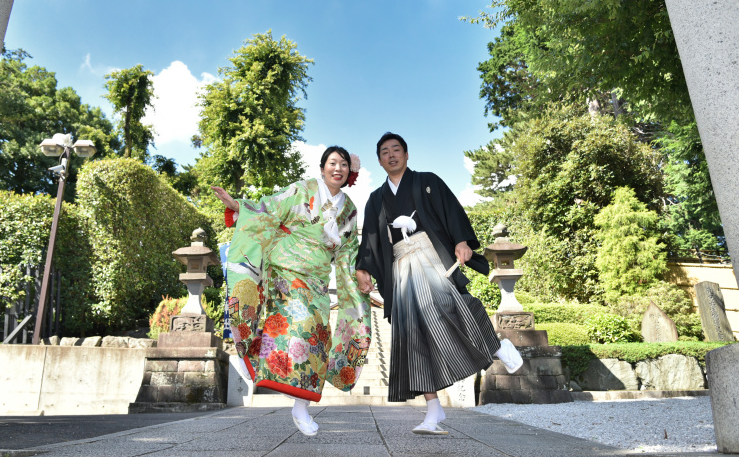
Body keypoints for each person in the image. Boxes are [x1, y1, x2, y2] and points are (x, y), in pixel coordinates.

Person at [355, 132, 523, 435]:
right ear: (379, 161)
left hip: (431, 255)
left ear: (406, 155)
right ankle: (433, 411)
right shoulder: (376, 199)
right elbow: (369, 238)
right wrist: (363, 268)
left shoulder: (426, 181)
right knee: (411, 336)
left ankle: (497, 346)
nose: (391, 155)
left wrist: (461, 241)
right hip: (400, 267)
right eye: (384, 152)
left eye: (396, 150)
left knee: (453, 305)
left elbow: (450, 211)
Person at [212, 146, 371, 437]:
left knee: (316, 341)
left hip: (318, 281)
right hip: (286, 271)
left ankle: (300, 404)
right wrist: (239, 207)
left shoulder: (349, 209)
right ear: (322, 167)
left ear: (350, 172)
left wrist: (359, 276)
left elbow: (348, 252)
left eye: (344, 164)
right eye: (332, 163)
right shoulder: (302, 190)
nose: (338, 168)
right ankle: (263, 368)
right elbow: (270, 209)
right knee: (295, 328)